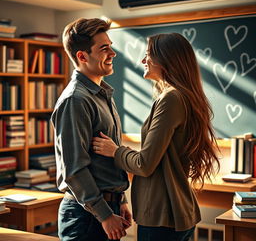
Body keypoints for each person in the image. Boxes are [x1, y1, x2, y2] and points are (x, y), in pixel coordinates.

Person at [92, 33, 220, 241]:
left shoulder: (171, 98)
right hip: (176, 213)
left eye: (148, 55)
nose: (143, 61)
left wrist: (115, 151)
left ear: (167, 60)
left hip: (162, 217)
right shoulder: (182, 96)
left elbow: (144, 164)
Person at [51, 18, 132, 241]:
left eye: (111, 46)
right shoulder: (75, 100)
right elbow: (74, 169)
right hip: (86, 217)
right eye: (104, 48)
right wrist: (105, 214)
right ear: (82, 56)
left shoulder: (101, 93)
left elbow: (105, 161)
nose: (113, 53)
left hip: (105, 207)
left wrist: (120, 199)